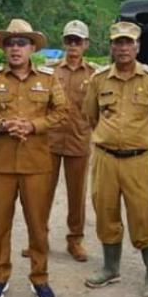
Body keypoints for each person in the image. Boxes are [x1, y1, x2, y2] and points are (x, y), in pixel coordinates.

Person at [0, 18, 67, 297]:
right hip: (0, 165)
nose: (15, 49)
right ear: (4, 49)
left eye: (21, 43)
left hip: (37, 164)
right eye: (10, 44)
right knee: (0, 223)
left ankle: (40, 278)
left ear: (32, 47)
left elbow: (62, 112)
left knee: (37, 225)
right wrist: (1, 125)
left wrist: (34, 126)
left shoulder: (48, 79)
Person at [82, 21, 148, 297]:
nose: (123, 48)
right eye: (118, 43)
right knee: (105, 211)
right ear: (111, 46)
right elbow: (91, 116)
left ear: (137, 46)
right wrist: (110, 138)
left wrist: (138, 140)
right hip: (105, 158)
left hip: (137, 160)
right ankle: (110, 268)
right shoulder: (99, 78)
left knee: (141, 216)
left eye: (128, 42)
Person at [44, 20, 97, 262]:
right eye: (69, 40)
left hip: (79, 140)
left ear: (86, 44)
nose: (73, 45)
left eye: (78, 40)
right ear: (64, 42)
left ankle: (75, 240)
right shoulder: (50, 70)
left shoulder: (95, 74)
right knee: (42, 192)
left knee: (77, 194)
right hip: (50, 140)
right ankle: (39, 237)